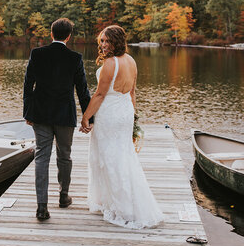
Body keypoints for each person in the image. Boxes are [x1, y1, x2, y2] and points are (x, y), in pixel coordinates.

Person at [80, 25, 163, 229]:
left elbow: (99, 95)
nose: (104, 44)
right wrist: (132, 116)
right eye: (102, 41)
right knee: (122, 156)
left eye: (108, 41)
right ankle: (114, 200)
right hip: (124, 111)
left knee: (110, 159)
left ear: (117, 41)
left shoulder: (111, 63)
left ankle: (122, 207)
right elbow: (132, 92)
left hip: (110, 113)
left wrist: (85, 117)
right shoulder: (131, 61)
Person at [23, 18, 92, 221]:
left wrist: (28, 113)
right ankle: (63, 197)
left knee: (42, 157)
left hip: (41, 115)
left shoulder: (37, 53)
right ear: (69, 36)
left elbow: (28, 86)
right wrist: (88, 117)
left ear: (51, 33)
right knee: (65, 156)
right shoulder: (75, 58)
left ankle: (41, 207)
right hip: (64, 116)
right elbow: (82, 90)